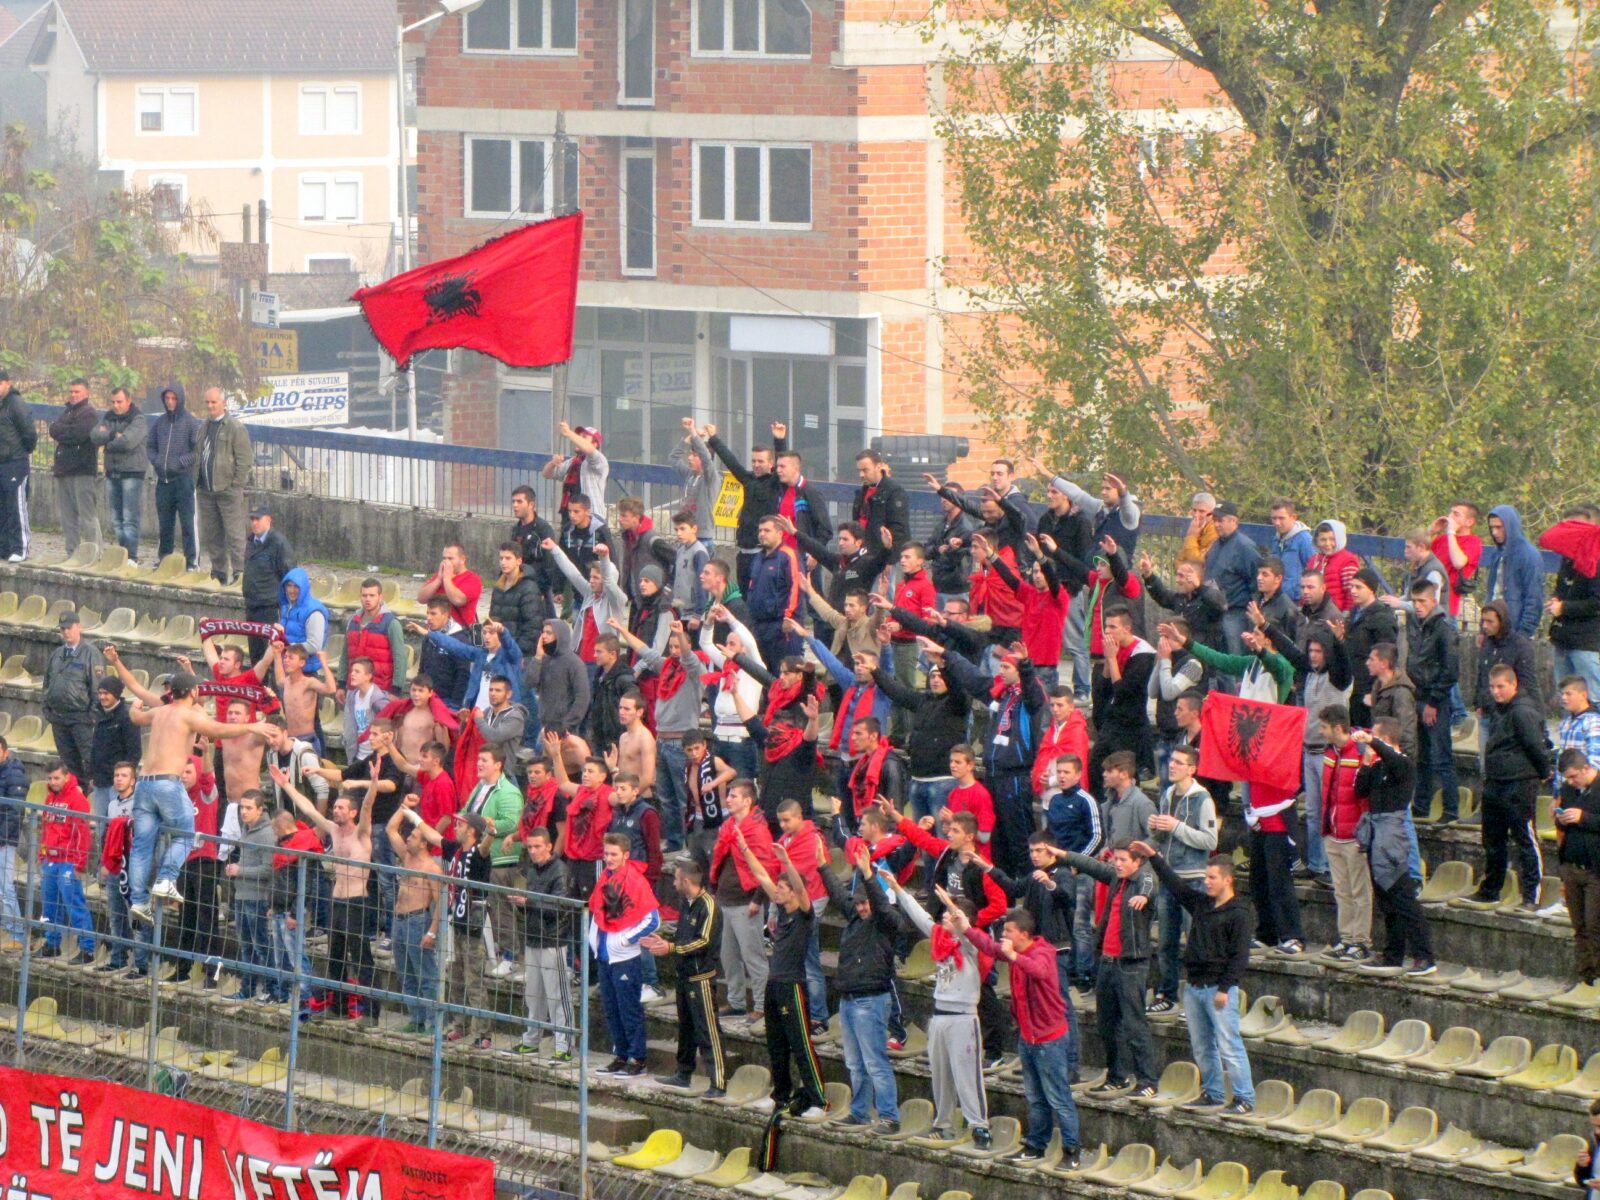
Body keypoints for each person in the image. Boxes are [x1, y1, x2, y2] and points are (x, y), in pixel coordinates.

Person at [950, 903, 1083, 1167]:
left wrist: (1013, 957)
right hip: (1028, 1038)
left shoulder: (1043, 951)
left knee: (1059, 1098)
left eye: (1009, 931)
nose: (1004, 936)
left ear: (1024, 934)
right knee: (1035, 1098)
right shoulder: (1012, 950)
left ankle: (1072, 1151)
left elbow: (1040, 971)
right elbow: (989, 946)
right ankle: (1036, 1145)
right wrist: (966, 928)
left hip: (1050, 1040)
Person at [1132, 841, 1255, 1115]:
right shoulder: (1201, 904)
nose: (1207, 883)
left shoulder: (1239, 914)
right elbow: (1177, 886)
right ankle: (1213, 1093)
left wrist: (1225, 988)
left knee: (1229, 1046)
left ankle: (1244, 1097)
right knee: (1202, 1048)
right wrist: (1155, 857)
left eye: (1212, 878)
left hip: (1218, 989)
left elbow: (1239, 956)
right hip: (1195, 987)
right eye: (1206, 877)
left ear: (1228, 880)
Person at [885, 876, 993, 1147]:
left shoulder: (971, 945)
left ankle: (979, 1124)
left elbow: (969, 932)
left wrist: (953, 907)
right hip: (940, 1014)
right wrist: (898, 889)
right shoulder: (940, 938)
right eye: (945, 913)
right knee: (941, 1074)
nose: (944, 917)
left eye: (949, 914)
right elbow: (919, 916)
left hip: (963, 1018)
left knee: (967, 1074)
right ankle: (943, 1123)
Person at [734, 820, 829, 1118]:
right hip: (774, 986)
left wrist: (787, 862)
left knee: (801, 1045)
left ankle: (818, 1100)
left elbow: (801, 889)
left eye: (783, 887)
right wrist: (745, 848)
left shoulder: (803, 915)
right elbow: (761, 874)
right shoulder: (781, 913)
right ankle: (782, 1097)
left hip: (792, 986)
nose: (778, 890)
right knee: (776, 1046)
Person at [276, 763, 379, 1019]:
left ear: (352, 812)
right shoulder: (333, 831)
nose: (336, 811)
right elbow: (308, 808)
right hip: (337, 901)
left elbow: (367, 807)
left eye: (341, 807)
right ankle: (337, 1007)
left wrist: (374, 782)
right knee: (335, 958)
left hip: (357, 901)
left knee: (362, 958)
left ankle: (371, 1013)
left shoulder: (361, 834)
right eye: (335, 807)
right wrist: (285, 784)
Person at [1061, 841, 1160, 1099]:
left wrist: (1144, 896)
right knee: (1106, 1024)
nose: (1117, 864)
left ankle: (1148, 1080)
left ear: (1137, 862)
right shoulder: (1118, 880)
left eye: (1123, 859)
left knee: (1134, 1025)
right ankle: (1117, 1076)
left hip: (1131, 964)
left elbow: (1150, 882)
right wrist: (1064, 853)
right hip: (1106, 961)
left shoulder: (1143, 880)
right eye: (1115, 859)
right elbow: (1092, 866)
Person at [822, 840, 903, 1132]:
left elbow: (880, 903)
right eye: (858, 903)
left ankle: (890, 1117)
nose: (861, 907)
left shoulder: (887, 921)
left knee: (875, 1063)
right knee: (855, 1064)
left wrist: (868, 874)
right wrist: (822, 864)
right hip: (848, 999)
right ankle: (859, 1112)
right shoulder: (855, 916)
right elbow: (836, 893)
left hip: (871, 1000)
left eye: (865, 902)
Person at [1352, 722, 1434, 976]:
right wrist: (1366, 763)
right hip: (1376, 834)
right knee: (1387, 900)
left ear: (1386, 740)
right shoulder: (1378, 766)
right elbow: (1360, 790)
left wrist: (1374, 742)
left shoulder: (1404, 765)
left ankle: (1425, 956)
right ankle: (1393, 954)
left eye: (1376, 737)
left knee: (1403, 898)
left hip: (1392, 837)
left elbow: (1393, 758)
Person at [1465, 663, 1549, 910]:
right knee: (1492, 840)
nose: (1496, 692)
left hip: (1519, 784)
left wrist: (1544, 773)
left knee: (1524, 839)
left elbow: (1535, 746)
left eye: (1501, 686)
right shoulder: (1499, 710)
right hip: (1496, 782)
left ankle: (1531, 895)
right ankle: (1491, 889)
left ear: (1514, 685)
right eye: (1492, 687)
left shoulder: (1523, 712)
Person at [1146, 745, 1218, 1013]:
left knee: (1196, 942)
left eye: (1179, 762)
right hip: (1169, 879)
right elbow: (1164, 837)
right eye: (1171, 760)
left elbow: (1210, 840)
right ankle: (1167, 994)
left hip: (1193, 881)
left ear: (1192, 768)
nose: (1172, 765)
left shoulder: (1203, 799)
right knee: (1165, 942)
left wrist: (1176, 827)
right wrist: (1155, 829)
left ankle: (1201, 995)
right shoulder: (1167, 794)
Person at [416, 809, 493, 1047]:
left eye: (460, 825)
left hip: (474, 925)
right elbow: (432, 836)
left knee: (474, 980)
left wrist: (491, 833)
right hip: (456, 921)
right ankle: (459, 1025)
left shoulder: (479, 854)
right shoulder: (455, 850)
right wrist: (412, 815)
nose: (455, 828)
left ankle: (483, 1033)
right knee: (456, 978)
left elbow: (486, 845)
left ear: (471, 830)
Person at [587, 831, 660, 1077]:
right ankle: (620, 1054)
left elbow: (652, 919)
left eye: (614, 854)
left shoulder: (636, 881)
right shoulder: (605, 877)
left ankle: (637, 1059)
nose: (608, 858)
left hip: (624, 958)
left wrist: (626, 939)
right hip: (605, 955)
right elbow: (598, 910)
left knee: (629, 1009)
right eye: (606, 853)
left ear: (626, 855)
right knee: (611, 1009)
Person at [709, 779, 776, 1023]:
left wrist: (758, 900)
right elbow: (719, 861)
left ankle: (761, 1004)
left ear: (747, 801)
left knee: (753, 957)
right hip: (726, 900)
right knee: (728, 956)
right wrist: (714, 889)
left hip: (746, 902)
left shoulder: (757, 830)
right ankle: (736, 1002)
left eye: (733, 796)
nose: (728, 800)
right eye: (728, 795)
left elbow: (767, 868)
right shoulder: (728, 827)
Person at [511, 823, 574, 1059]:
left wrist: (528, 903)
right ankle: (531, 1039)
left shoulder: (560, 871)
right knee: (533, 995)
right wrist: (522, 906)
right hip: (533, 938)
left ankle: (564, 1046)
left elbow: (560, 907)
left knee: (558, 996)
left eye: (537, 847)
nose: (533, 851)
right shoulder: (531, 870)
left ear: (549, 846)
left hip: (553, 941)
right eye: (529, 847)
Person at [704, 420, 786, 592]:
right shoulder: (748, 480)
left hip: (761, 552)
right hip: (743, 552)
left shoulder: (774, 483)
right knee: (743, 596)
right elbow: (731, 462)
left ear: (771, 463)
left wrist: (779, 441)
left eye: (761, 461)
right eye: (754, 461)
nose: (756, 465)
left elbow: (782, 463)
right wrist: (713, 438)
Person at [1318, 706, 1373, 962]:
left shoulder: (1362, 752)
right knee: (1342, 891)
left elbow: (1365, 797)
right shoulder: (1331, 752)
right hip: (1333, 833)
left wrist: (1364, 833)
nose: (1320, 731)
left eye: (1324, 727)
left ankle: (1361, 941)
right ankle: (1347, 938)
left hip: (1354, 836)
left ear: (1338, 728)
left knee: (1359, 891)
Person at [1407, 580, 1461, 821]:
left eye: (1422, 601)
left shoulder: (1443, 629)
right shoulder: (1419, 626)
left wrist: (1433, 701)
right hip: (1418, 695)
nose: (1417, 606)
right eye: (1415, 601)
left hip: (1434, 700)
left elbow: (1450, 670)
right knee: (1424, 757)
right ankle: (1422, 804)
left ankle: (1451, 809)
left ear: (1433, 601)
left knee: (1441, 756)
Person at [37, 760, 95, 964]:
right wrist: (42, 856)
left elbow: (83, 835)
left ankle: (87, 949)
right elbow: (45, 829)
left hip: (69, 860)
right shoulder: (48, 798)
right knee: (49, 905)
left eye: (56, 778)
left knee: (75, 905)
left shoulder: (78, 800)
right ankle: (52, 944)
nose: (53, 782)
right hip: (51, 859)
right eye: (50, 778)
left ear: (67, 776)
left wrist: (79, 863)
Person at [195, 386, 252, 584]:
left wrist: (236, 485)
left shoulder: (235, 428)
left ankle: (240, 572)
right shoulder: (203, 427)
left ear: (223, 403)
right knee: (212, 535)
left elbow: (245, 460)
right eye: (207, 402)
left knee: (235, 534)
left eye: (214, 402)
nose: (210, 406)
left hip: (228, 490)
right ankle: (218, 572)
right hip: (206, 490)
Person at [224, 789, 276, 1002]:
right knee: (246, 947)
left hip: (257, 899)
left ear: (260, 810)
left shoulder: (267, 834)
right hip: (242, 896)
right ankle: (248, 989)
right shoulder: (247, 829)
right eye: (241, 808)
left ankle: (275, 990)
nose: (243, 812)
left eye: (248, 808)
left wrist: (240, 871)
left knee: (262, 946)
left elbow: (268, 870)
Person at [96, 762, 148, 976]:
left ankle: (141, 964)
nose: (119, 779)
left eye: (124, 775)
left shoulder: (141, 804)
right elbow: (107, 838)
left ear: (133, 780)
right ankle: (118, 958)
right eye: (116, 775)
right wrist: (105, 862)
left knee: (136, 916)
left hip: (135, 867)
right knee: (116, 914)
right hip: (115, 867)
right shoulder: (111, 805)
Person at [42, 611, 105, 782]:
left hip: (80, 716)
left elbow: (97, 686)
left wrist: (91, 715)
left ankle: (87, 795)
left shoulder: (90, 653)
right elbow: (47, 682)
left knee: (87, 759)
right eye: (62, 629)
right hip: (59, 717)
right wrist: (47, 708)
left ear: (79, 627)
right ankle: (75, 795)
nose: (66, 632)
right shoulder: (57, 654)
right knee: (68, 762)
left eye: (69, 628)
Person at [1556, 750, 1600, 985]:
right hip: (1572, 867)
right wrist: (1560, 818)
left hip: (1595, 870)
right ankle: (1586, 977)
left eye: (1574, 777)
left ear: (1585, 769)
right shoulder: (1568, 790)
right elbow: (1562, 819)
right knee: (1579, 927)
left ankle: (1597, 977)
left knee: (1595, 927)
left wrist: (1583, 817)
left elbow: (1588, 820)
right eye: (1567, 778)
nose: (1571, 782)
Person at [91, 386, 148, 559]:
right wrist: (114, 435)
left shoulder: (138, 419)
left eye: (119, 402)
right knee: (116, 520)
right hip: (112, 472)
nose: (115, 405)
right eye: (113, 402)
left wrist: (107, 439)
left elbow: (127, 442)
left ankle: (131, 557)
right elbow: (94, 436)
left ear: (128, 401)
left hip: (132, 473)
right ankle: (122, 554)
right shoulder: (108, 416)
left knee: (129, 519)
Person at [147, 383, 198, 570]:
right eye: (167, 398)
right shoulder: (160, 422)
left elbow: (197, 451)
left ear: (180, 399)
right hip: (163, 481)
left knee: (187, 524)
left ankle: (191, 561)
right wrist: (157, 461)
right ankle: (164, 558)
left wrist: (180, 463)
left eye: (173, 398)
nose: (170, 402)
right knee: (165, 524)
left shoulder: (190, 422)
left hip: (183, 481)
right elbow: (150, 445)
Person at [50, 378, 101, 555]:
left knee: (87, 515)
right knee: (67, 517)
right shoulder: (66, 412)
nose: (73, 395)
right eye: (71, 391)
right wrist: (64, 431)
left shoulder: (89, 413)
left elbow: (79, 434)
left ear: (86, 393)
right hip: (63, 469)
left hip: (82, 470)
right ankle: (72, 552)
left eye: (77, 391)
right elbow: (53, 429)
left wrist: (63, 431)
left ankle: (93, 552)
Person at [1204, 501, 1262, 653]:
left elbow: (1257, 583)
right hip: (1214, 612)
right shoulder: (1216, 544)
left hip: (1236, 613)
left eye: (1220, 520)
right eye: (1215, 520)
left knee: (1234, 659)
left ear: (1233, 521)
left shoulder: (1245, 547)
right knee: (1218, 660)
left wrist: (1253, 617)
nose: (1216, 524)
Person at [747, 516, 803, 670]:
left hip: (780, 626)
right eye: (760, 530)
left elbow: (796, 587)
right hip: (759, 625)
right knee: (763, 675)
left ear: (780, 533)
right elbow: (752, 588)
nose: (762, 534)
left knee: (784, 673)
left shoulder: (787, 555)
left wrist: (788, 617)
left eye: (767, 530)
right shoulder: (758, 557)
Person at [1482, 504, 1545, 638]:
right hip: (1493, 628)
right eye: (1491, 527)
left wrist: (1524, 633)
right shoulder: (1496, 554)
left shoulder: (1529, 555)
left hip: (1516, 629)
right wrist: (1483, 629)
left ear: (1510, 526)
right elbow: (1491, 592)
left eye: (1499, 527)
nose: (1494, 532)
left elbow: (1534, 598)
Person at [525, 619, 590, 738]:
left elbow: (582, 697)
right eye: (543, 632)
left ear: (560, 635)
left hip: (564, 728)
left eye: (549, 633)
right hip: (544, 724)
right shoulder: (544, 659)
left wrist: (567, 724)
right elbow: (530, 682)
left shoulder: (574, 663)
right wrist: (538, 657)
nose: (544, 636)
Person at [343, 579, 408, 695]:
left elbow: (400, 659)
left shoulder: (391, 623)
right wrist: (341, 683)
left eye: (372, 595)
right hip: (353, 689)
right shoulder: (353, 621)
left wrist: (396, 690)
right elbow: (344, 656)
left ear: (380, 597)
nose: (368, 599)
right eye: (364, 595)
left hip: (380, 690)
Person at [0, 369, 37, 562]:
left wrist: (22, 451)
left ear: (7, 383)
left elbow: (29, 433)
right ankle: (4, 547)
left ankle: (20, 547)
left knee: (16, 506)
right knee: (3, 508)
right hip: (1, 462)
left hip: (15, 461)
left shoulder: (16, 403)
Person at [543, 421, 610, 526]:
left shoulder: (599, 460)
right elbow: (547, 474)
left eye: (584, 437)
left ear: (594, 444)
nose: (578, 439)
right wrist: (552, 463)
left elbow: (589, 450)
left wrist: (569, 433)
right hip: (570, 517)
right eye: (579, 436)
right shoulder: (573, 462)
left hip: (591, 517)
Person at [418, 543, 484, 644]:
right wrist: (439, 579)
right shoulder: (439, 577)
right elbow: (421, 598)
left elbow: (458, 600)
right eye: (444, 558)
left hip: (459, 635)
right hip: (436, 633)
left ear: (462, 559)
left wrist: (447, 579)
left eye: (450, 558)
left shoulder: (472, 579)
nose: (446, 562)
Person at [509, 484, 559, 612]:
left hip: (538, 588)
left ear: (531, 504)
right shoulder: (516, 529)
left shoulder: (543, 529)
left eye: (519, 501)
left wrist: (542, 588)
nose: (515, 505)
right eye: (513, 501)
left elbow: (549, 563)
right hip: (518, 586)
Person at [853, 448, 910, 551]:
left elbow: (899, 529)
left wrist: (890, 559)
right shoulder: (862, 492)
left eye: (865, 470)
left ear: (878, 467)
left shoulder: (894, 491)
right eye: (859, 471)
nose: (861, 475)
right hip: (863, 551)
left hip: (881, 553)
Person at [670, 419, 721, 534]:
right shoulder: (690, 475)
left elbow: (706, 457)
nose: (689, 458)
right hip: (686, 532)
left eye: (695, 455)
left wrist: (693, 432)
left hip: (702, 535)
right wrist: (689, 438)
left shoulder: (711, 477)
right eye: (690, 454)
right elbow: (673, 458)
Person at [0, 737, 28, 950]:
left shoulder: (14, 773)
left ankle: (17, 934)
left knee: (4, 887)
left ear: (5, 751)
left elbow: (14, 811)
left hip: (4, 840)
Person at [1269, 498, 1316, 603]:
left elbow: (1314, 571)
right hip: (1278, 598)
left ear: (1293, 517)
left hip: (1297, 600)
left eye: (1281, 518)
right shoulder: (1276, 539)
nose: (1277, 523)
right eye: (1274, 518)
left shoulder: (1304, 540)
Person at [1308, 520, 1361, 611]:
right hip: (1313, 611)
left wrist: (1347, 615)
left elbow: (1351, 593)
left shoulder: (1348, 561)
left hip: (1336, 613)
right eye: (1323, 539)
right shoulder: (1314, 560)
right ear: (1317, 541)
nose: (1327, 544)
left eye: (1332, 539)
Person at [1179, 492, 1217, 565]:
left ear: (1211, 513)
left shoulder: (1214, 530)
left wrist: (1191, 536)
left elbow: (1198, 561)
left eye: (1201, 511)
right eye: (1194, 510)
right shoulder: (1196, 526)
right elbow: (1180, 559)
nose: (1196, 515)